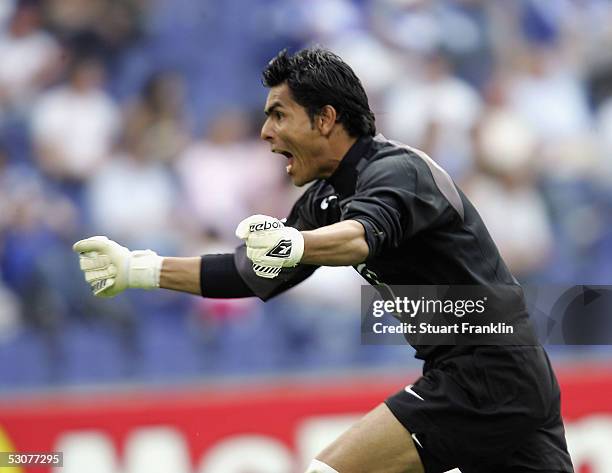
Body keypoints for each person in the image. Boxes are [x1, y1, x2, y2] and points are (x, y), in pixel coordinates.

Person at [73, 48, 574, 473]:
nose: (266, 132)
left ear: (326, 118)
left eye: (278, 114)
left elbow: (360, 238)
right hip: (506, 377)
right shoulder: (324, 199)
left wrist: (295, 245)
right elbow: (251, 274)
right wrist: (138, 268)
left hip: (486, 374)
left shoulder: (399, 171)